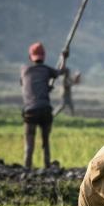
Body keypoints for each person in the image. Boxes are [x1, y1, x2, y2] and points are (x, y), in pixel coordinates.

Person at [20, 41, 67, 169]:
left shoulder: (24, 70)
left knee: (29, 143)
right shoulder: (46, 70)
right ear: (43, 56)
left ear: (31, 57)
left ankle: (27, 168)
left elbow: (27, 87)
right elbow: (61, 71)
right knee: (45, 141)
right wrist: (64, 57)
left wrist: (46, 88)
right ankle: (47, 165)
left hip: (30, 111)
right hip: (45, 110)